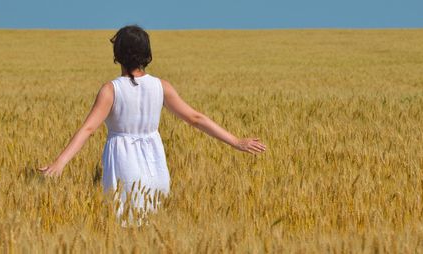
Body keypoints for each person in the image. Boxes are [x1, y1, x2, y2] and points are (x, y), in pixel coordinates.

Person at [38, 25, 266, 220]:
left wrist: (60, 163)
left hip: (123, 162)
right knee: (153, 222)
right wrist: (236, 141)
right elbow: (196, 118)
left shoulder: (111, 90)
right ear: (146, 54)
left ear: (117, 54)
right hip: (155, 164)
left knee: (123, 223)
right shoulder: (161, 86)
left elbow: (88, 129)